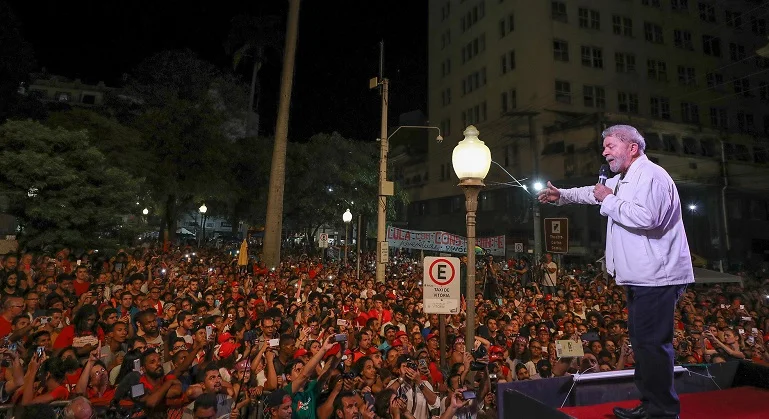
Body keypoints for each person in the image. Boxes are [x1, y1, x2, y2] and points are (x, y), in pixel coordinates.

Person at [538, 124, 693, 419]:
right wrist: (564, 195)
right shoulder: (625, 178)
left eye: (610, 146)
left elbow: (647, 218)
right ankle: (651, 405)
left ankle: (662, 410)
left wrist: (608, 199)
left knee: (652, 345)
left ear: (632, 147)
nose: (604, 151)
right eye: (604, 146)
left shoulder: (651, 176)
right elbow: (593, 192)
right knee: (643, 345)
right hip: (640, 277)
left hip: (658, 277)